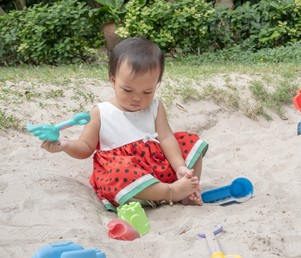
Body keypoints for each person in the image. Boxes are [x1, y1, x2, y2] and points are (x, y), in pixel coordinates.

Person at [41, 37, 208, 211]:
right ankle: (170, 192)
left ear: (156, 85)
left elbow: (166, 138)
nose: (137, 98)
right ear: (113, 81)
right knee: (118, 172)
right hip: (129, 178)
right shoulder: (101, 112)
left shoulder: (155, 107)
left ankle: (187, 190)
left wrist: (180, 167)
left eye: (147, 91)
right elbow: (85, 147)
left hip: (157, 169)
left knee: (189, 141)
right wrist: (65, 145)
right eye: (128, 90)